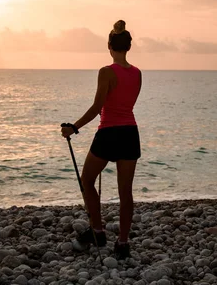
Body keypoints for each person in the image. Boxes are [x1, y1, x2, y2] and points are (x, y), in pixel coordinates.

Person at [60, 20, 142, 260]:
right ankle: (123, 243)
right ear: (128, 47)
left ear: (109, 45)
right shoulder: (137, 73)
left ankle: (97, 231)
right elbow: (127, 104)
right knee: (125, 192)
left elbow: (98, 107)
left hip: (109, 133)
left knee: (87, 180)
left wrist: (74, 127)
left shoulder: (106, 72)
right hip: (130, 133)